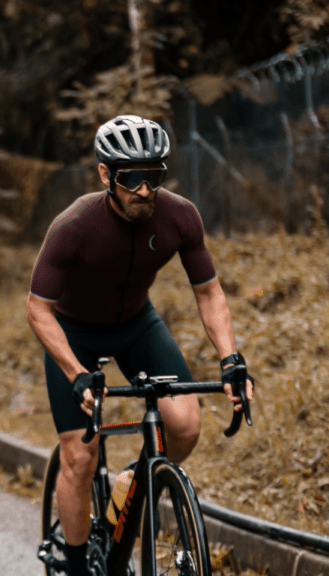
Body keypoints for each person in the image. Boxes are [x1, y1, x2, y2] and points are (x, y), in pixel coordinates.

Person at [26, 114, 255, 576]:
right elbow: (37, 308)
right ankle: (74, 564)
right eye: (131, 177)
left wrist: (231, 359)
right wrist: (75, 372)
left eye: (154, 176)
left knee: (186, 427)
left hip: (136, 326)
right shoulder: (74, 225)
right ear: (106, 175)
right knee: (80, 455)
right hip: (74, 333)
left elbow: (209, 292)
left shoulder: (180, 216)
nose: (145, 189)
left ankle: (132, 481)